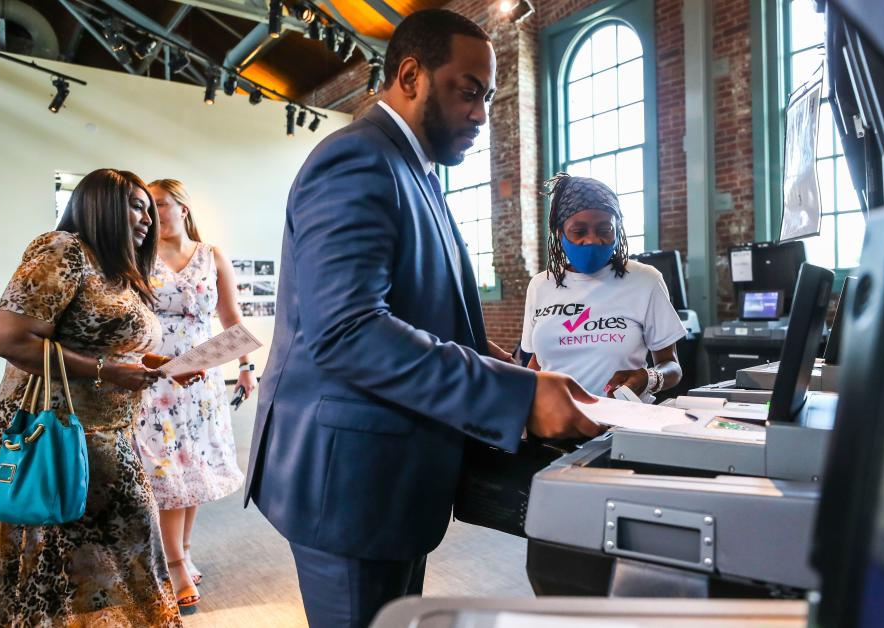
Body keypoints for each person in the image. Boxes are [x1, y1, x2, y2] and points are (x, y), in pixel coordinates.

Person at [244, 9, 602, 628]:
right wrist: (513, 395)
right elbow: (347, 331)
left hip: (392, 475)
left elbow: (418, 309)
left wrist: (502, 363)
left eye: (488, 97)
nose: (482, 115)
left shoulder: (414, 169)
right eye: (468, 92)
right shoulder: (357, 160)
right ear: (410, 75)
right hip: (347, 484)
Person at [0, 169, 184, 626]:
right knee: (54, 547)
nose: (146, 217)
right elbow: (10, 338)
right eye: (134, 204)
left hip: (110, 431)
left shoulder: (116, 270)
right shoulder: (64, 250)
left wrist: (151, 365)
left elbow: (101, 342)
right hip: (56, 427)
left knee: (106, 546)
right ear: (98, 204)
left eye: (149, 207)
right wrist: (107, 370)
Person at [134, 178, 256, 611]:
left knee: (196, 470)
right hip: (157, 378)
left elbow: (230, 317)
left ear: (183, 208)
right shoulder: (137, 256)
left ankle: (182, 553)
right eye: (146, 206)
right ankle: (175, 563)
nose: (151, 214)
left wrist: (244, 367)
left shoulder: (212, 256)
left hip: (203, 383)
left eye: (161, 205)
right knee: (168, 473)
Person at [522, 174, 685, 400]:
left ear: (618, 230)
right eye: (579, 232)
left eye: (604, 230)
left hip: (622, 425)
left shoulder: (645, 280)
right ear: (560, 233)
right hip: (556, 424)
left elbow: (672, 367)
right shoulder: (541, 285)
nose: (592, 240)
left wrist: (649, 377)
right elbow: (538, 363)